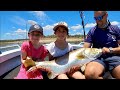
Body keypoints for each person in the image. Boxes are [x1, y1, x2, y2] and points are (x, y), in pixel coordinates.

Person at [84, 11, 120, 79]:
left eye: (100, 17)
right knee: (90, 74)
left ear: (106, 15)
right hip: (98, 59)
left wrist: (110, 50)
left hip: (115, 58)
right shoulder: (92, 31)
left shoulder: (115, 29)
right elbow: (85, 49)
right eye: (95, 18)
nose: (98, 20)